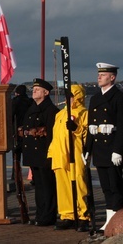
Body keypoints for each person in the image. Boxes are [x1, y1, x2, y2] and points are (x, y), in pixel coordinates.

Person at [84, 62, 123, 232]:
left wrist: (118, 150)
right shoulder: (95, 98)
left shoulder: (118, 97)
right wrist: (87, 150)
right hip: (100, 148)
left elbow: (122, 126)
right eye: (99, 74)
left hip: (112, 147)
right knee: (106, 186)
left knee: (115, 186)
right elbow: (91, 127)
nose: (99, 76)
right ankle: (108, 220)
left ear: (112, 77)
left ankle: (115, 220)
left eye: (104, 74)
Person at [47, 84, 90, 232]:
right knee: (63, 187)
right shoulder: (60, 114)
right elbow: (55, 136)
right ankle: (67, 215)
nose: (67, 99)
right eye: (67, 96)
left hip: (75, 154)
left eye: (70, 96)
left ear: (77, 97)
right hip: (60, 155)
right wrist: (51, 153)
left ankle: (83, 216)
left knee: (79, 184)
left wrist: (76, 128)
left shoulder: (83, 113)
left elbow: (86, 136)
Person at [20, 78, 59, 226]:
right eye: (34, 88)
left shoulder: (51, 110)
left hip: (44, 152)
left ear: (46, 92)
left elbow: (51, 134)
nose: (34, 90)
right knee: (38, 187)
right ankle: (40, 214)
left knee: (47, 186)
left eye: (37, 89)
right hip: (33, 153)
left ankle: (48, 215)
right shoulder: (31, 109)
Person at [12, 84, 32, 178]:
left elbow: (11, 116)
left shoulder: (15, 102)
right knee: (30, 155)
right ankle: (34, 177)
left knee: (16, 156)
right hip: (29, 131)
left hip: (17, 131)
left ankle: (15, 175)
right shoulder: (30, 102)